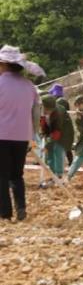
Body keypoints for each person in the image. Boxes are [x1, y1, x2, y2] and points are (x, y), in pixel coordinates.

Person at [0, 45, 43, 221]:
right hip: (21, 136)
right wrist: (33, 135)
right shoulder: (29, 86)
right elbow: (36, 112)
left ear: (4, 64)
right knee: (17, 175)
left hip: (1, 135)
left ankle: (5, 212)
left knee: (1, 176)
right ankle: (21, 208)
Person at [40, 95, 71, 180]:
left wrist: (47, 145)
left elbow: (57, 133)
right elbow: (43, 123)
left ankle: (59, 174)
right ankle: (53, 174)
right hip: (51, 132)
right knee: (50, 153)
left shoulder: (58, 114)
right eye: (46, 109)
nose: (48, 112)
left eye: (50, 110)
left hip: (63, 133)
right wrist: (43, 133)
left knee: (57, 150)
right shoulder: (41, 110)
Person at [48, 84, 73, 165]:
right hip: (63, 125)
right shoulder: (63, 100)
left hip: (62, 126)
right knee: (65, 145)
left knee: (63, 144)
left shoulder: (60, 101)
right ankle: (69, 162)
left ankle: (68, 163)